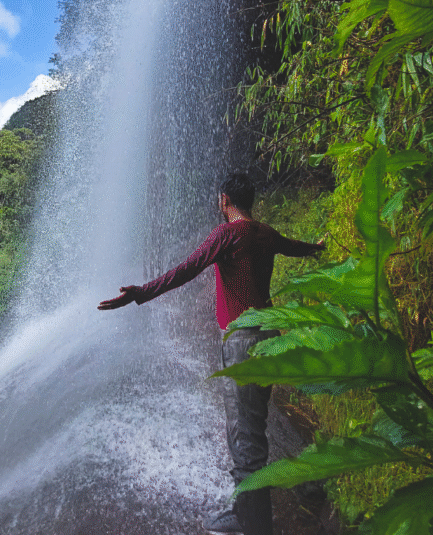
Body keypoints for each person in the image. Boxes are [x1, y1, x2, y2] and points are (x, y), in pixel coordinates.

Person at [98, 172, 325, 535]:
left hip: (243, 340)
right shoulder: (265, 232)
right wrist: (317, 248)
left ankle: (254, 524)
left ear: (224, 201)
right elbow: (294, 246)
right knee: (255, 425)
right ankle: (250, 505)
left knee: (244, 438)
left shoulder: (227, 234)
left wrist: (142, 292)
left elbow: (188, 268)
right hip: (270, 335)